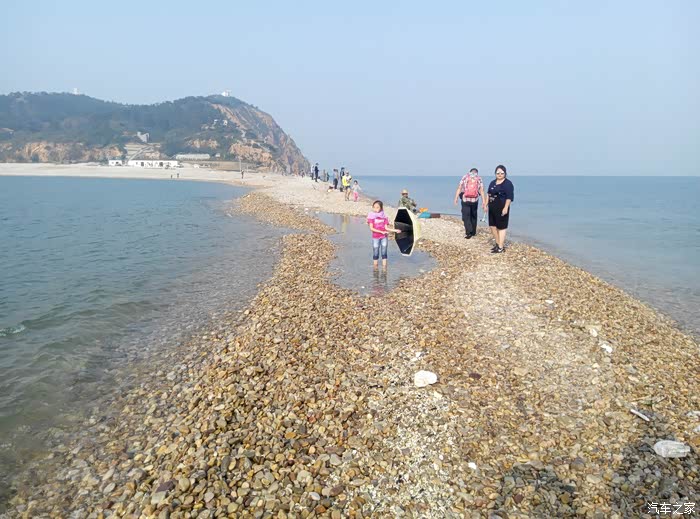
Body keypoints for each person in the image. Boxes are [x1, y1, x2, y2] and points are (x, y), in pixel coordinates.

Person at [487, 165, 514, 253]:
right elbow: (488, 194)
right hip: (492, 207)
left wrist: (506, 207)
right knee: (492, 226)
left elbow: (509, 197)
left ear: (505, 173)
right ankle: (497, 244)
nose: (500, 174)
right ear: (495, 173)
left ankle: (501, 247)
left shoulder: (508, 183)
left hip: (502, 207)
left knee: (501, 227)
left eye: (502, 173)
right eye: (498, 173)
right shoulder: (492, 182)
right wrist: (485, 204)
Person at [453, 168, 487, 239]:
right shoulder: (479, 178)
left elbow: (459, 187)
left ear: (469, 172)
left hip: (465, 200)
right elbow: (481, 190)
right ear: (477, 173)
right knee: (473, 216)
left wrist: (456, 198)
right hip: (475, 200)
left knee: (466, 216)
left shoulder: (465, 177)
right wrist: (483, 201)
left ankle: (468, 232)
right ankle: (473, 232)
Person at [367, 200, 400, 269]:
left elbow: (386, 228)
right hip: (375, 237)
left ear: (381, 208)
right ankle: (375, 268)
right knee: (376, 251)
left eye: (377, 207)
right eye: (374, 207)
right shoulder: (371, 216)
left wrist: (395, 230)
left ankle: (384, 268)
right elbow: (371, 228)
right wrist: (381, 232)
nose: (375, 209)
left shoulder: (384, 217)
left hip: (384, 237)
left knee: (384, 252)